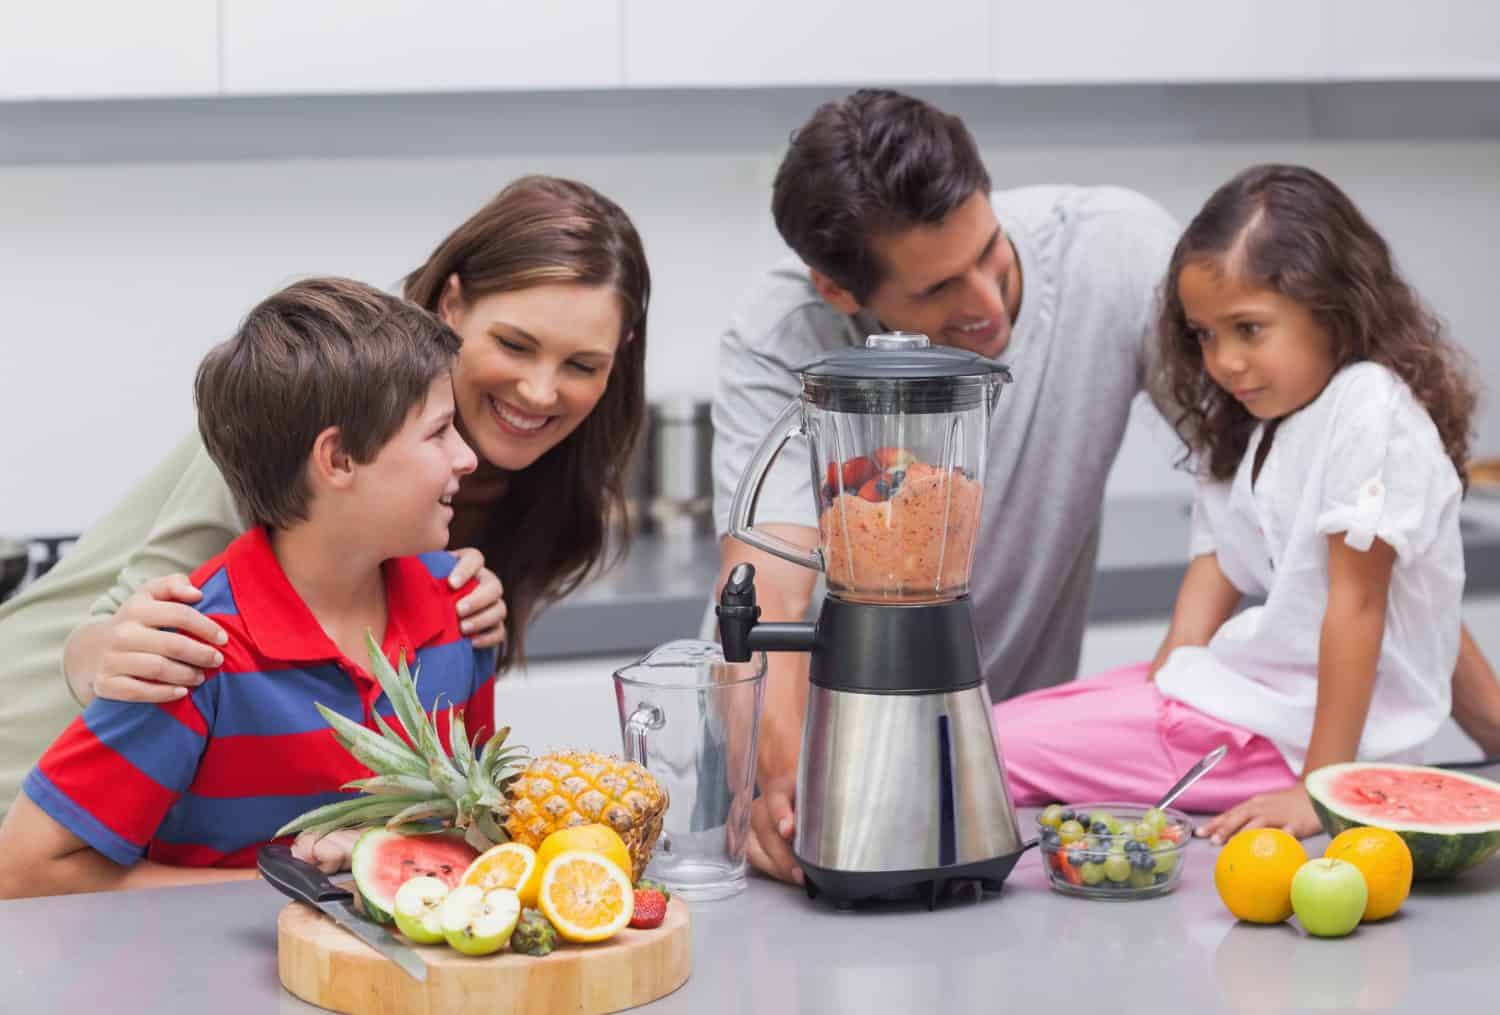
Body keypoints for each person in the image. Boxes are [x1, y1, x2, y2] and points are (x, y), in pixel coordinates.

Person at [711, 89, 1500, 883]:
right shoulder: (782, 339)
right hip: (830, 772)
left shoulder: (1116, 257)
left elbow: (1371, 559)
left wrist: (1475, 736)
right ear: (840, 293)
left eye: (991, 251)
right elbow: (765, 593)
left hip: (1025, 771)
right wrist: (772, 780)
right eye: (936, 292)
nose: (985, 303)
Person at [0, 175, 650, 816]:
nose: (540, 391)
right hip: (32, 752)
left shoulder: (522, 487)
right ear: (453, 307)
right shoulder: (312, 417)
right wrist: (102, 656)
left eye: (581, 365)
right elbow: (116, 634)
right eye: (514, 344)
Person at [993, 164, 1477, 842]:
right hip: (1240, 700)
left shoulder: (1367, 405)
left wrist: (1321, 787)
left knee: (978, 753)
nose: (1224, 361)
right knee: (976, 734)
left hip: (1286, 739)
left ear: (1334, 308)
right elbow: (1218, 562)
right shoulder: (1265, 420)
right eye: (1205, 335)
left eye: (1249, 329)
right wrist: (1156, 694)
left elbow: (1359, 606)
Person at [0, 278, 493, 897]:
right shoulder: (196, 652)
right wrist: (294, 889)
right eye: (439, 432)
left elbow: (475, 826)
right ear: (338, 460)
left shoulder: (461, 610)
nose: (467, 457)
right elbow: (23, 870)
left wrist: (379, 855)